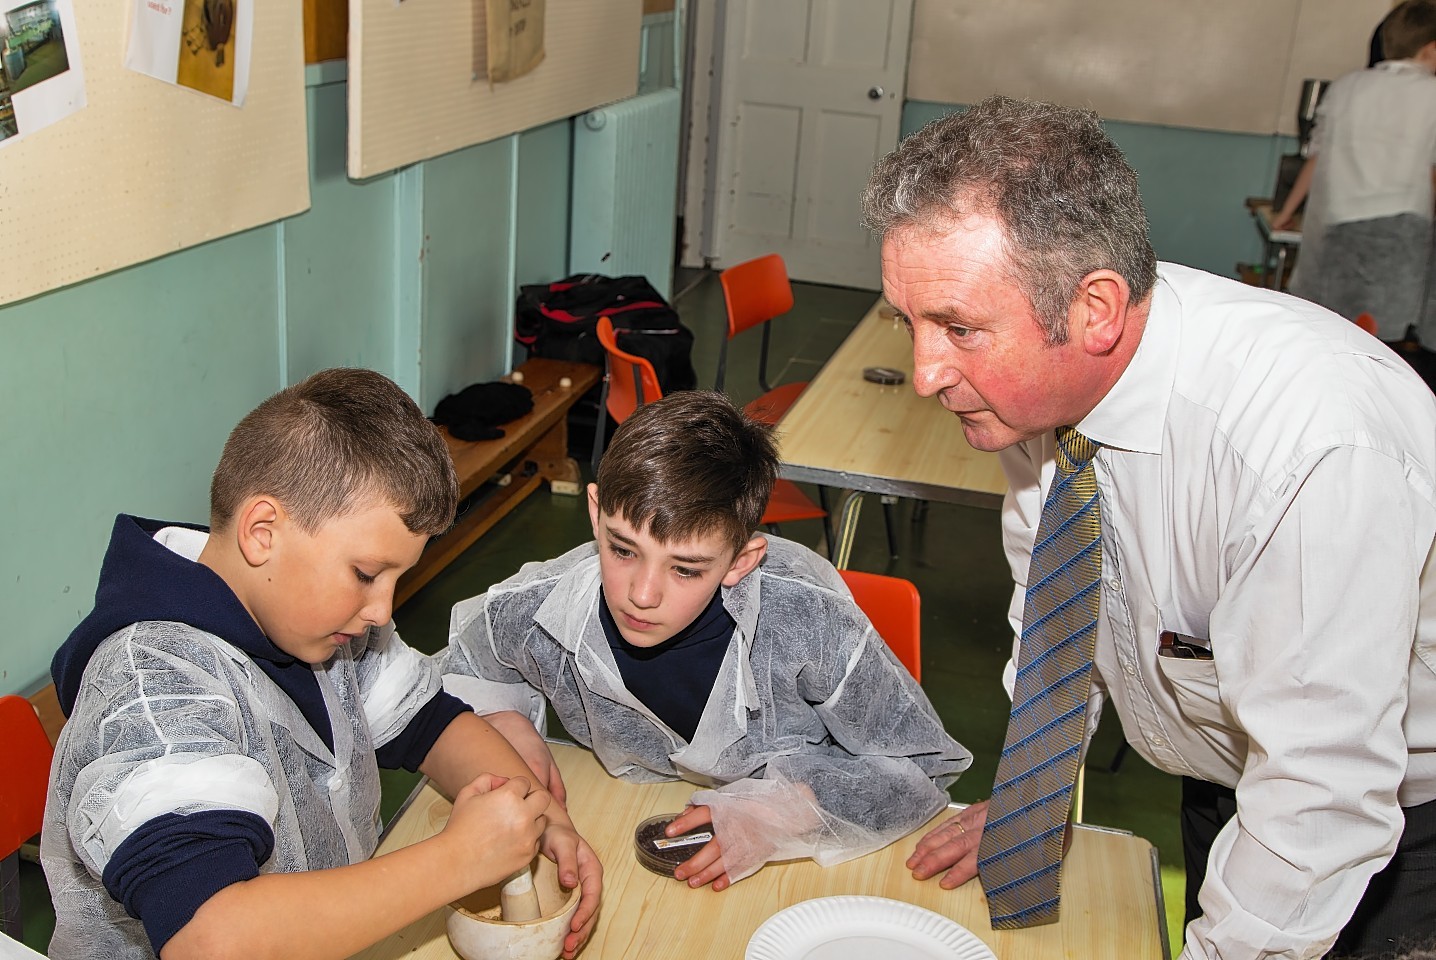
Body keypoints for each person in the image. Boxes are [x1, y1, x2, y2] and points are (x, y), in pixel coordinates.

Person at [862, 96, 1436, 959]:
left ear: (1095, 309)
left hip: (1390, 823)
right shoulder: (1046, 398)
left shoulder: (1306, 447)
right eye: (909, 323)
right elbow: (1056, 610)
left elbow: (1322, 790)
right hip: (1231, 775)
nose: (925, 373)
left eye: (959, 328)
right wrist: (1030, 801)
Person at [40, 368, 602, 960]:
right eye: (366, 573)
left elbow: (430, 724)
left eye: (394, 578)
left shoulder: (314, 621)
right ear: (263, 532)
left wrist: (540, 818)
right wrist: (459, 859)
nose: (382, 608)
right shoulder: (154, 687)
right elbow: (210, 939)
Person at [440, 390, 972, 891]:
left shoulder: (809, 618)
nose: (641, 595)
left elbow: (921, 764)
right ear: (596, 514)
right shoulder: (540, 607)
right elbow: (458, 668)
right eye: (622, 550)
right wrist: (505, 723)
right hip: (616, 829)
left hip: (801, 862)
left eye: (686, 570)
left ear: (742, 561)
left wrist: (781, 814)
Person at [1271, 0, 1436, 363]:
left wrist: (1286, 210)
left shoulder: (1347, 87)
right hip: (1402, 233)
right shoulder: (1431, 94)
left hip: (1339, 229)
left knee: (1334, 333)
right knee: (1384, 346)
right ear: (1431, 48)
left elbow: (1318, 157)